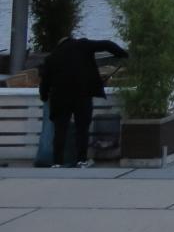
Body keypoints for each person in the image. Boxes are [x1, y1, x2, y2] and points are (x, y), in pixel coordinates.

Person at [38, 36, 129, 168]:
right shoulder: (83, 44)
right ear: (71, 39)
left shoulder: (52, 57)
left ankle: (57, 162)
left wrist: (44, 96)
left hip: (60, 97)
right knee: (82, 128)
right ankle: (81, 160)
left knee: (60, 130)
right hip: (82, 94)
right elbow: (107, 44)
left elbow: (45, 82)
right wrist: (123, 55)